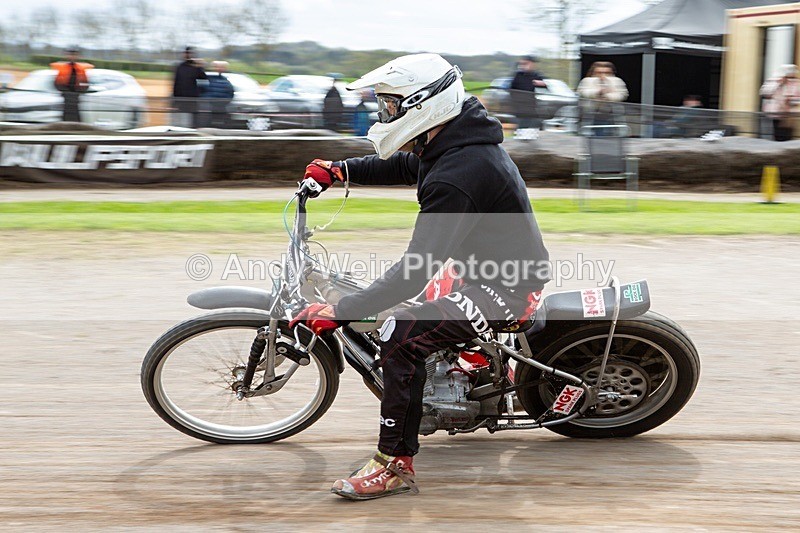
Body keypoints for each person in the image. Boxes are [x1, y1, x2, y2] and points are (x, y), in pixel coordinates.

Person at [290, 53, 550, 501]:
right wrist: (340, 169)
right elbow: (406, 166)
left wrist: (342, 310)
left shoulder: (458, 173)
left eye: (390, 105)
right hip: (479, 270)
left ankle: (394, 464)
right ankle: (477, 364)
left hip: (506, 287)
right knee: (396, 304)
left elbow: (415, 269)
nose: (383, 114)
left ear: (424, 104)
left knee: (399, 332)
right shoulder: (453, 143)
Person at [577, 61, 628, 129]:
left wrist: (607, 96)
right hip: (591, 114)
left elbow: (623, 95)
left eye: (607, 73)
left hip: (612, 115)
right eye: (599, 73)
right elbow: (582, 93)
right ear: (594, 73)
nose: (603, 75)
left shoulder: (617, 81)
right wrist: (598, 92)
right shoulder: (587, 81)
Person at [51, 48, 93, 123]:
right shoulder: (63, 68)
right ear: (67, 56)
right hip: (66, 97)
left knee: (76, 116)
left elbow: (85, 83)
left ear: (78, 56)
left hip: (76, 97)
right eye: (71, 55)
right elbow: (56, 83)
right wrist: (65, 92)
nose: (72, 57)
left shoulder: (81, 69)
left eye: (74, 55)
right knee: (66, 116)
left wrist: (78, 92)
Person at [760, 64, 800, 142]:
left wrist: (790, 100)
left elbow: (797, 99)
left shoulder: (795, 83)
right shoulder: (774, 81)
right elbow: (764, 92)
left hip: (788, 116)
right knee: (773, 135)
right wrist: (778, 84)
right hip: (774, 114)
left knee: (787, 136)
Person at [172, 46, 208, 128]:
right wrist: (174, 100)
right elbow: (176, 83)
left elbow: (204, 80)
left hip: (193, 98)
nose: (188, 55)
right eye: (186, 53)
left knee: (193, 120)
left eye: (190, 53)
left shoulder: (196, 67)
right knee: (181, 120)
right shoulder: (179, 67)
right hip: (181, 98)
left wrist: (201, 66)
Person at [509, 55, 546, 130]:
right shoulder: (518, 75)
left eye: (526, 64)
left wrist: (543, 84)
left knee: (535, 125)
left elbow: (545, 87)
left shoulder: (536, 75)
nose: (524, 66)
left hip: (532, 107)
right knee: (523, 126)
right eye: (523, 64)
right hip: (520, 108)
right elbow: (512, 90)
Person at [202, 61, 235, 128]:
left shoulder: (225, 79)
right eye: (218, 67)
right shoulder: (209, 77)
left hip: (221, 103)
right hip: (211, 103)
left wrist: (226, 100)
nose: (220, 69)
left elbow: (230, 92)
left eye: (222, 67)